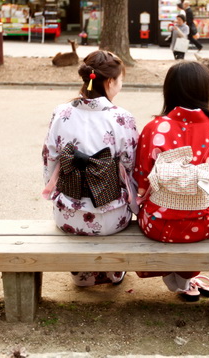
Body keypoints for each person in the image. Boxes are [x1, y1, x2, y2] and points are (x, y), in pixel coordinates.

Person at [133, 61, 209, 301]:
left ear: (168, 91)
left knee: (153, 206)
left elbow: (140, 177)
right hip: (203, 225)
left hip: (157, 226)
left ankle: (181, 279)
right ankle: (186, 277)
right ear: (206, 91)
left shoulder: (154, 128)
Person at [42, 50, 139, 287]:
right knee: (120, 198)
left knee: (72, 211)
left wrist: (54, 190)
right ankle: (113, 272)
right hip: (110, 217)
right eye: (120, 80)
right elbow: (131, 165)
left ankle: (82, 275)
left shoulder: (62, 112)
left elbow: (49, 157)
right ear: (109, 82)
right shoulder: (122, 118)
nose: (121, 84)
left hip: (68, 214)